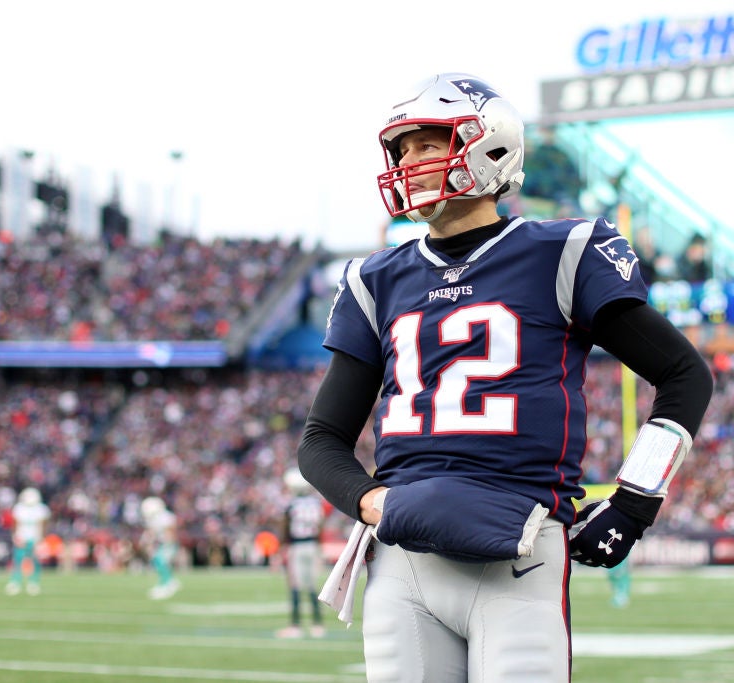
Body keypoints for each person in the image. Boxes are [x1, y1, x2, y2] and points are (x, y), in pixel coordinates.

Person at [298, 72, 714, 682]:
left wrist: (633, 502)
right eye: (402, 148)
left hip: (517, 551)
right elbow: (320, 441)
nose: (408, 162)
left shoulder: (565, 249)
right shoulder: (373, 278)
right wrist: (370, 500)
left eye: (428, 143)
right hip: (402, 562)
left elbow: (683, 374)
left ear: (489, 148)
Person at [275, 468, 327, 639]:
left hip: (297, 547)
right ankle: (318, 625)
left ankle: (295, 626)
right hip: (312, 545)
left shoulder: (290, 504)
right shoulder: (315, 503)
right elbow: (320, 527)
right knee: (312, 585)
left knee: (295, 586)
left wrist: (281, 548)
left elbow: (284, 527)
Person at [5, 487, 51, 596]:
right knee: (18, 560)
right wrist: (15, 536)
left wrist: (41, 538)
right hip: (22, 537)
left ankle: (33, 582)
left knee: (35, 561)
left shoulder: (41, 509)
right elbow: (15, 524)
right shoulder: (19, 508)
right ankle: (16, 582)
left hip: (35, 538)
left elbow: (43, 525)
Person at [140, 496, 181, 600]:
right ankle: (168, 582)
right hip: (162, 543)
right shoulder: (155, 518)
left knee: (160, 560)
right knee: (158, 561)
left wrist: (168, 543)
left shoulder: (165, 517)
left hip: (169, 543)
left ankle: (166, 584)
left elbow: (170, 532)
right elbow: (152, 532)